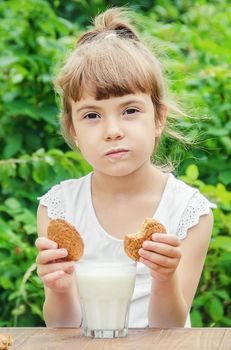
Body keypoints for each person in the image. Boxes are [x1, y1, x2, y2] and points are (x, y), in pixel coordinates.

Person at [35, 7, 216, 328]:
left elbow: (171, 329)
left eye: (130, 110)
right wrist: (59, 289)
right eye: (92, 115)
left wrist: (165, 279)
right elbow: (60, 329)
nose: (112, 130)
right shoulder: (59, 208)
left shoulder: (189, 212)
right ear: (73, 129)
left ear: (158, 118)